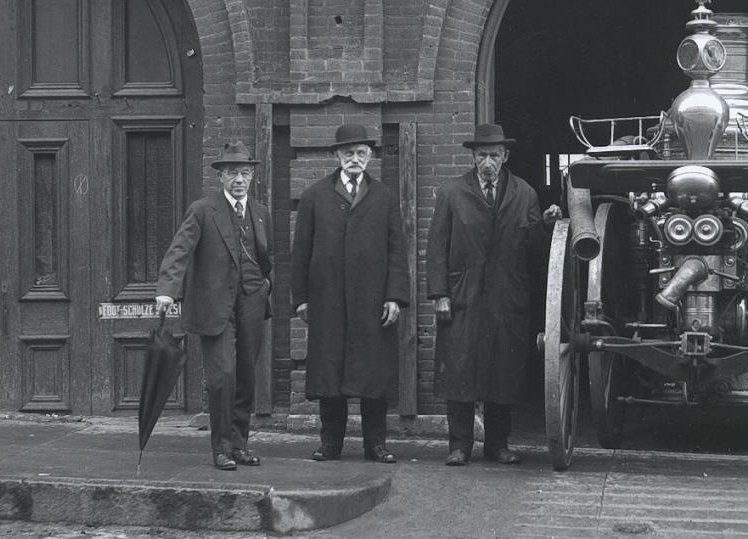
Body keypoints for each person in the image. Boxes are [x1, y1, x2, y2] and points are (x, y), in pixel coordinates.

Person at [426, 122, 546, 466]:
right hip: (463, 295)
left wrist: (548, 225)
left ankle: (497, 444)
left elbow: (535, 252)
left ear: (505, 156)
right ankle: (459, 445)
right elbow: (436, 248)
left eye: (494, 155)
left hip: (507, 297)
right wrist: (440, 294)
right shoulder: (451, 193)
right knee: (459, 369)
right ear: (473, 157)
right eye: (481, 155)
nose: (488, 162)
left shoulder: (525, 194)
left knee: (502, 370)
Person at [292, 122, 409, 463]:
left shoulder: (384, 196)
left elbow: (396, 251)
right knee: (331, 377)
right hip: (327, 301)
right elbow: (300, 252)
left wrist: (394, 296)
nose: (354, 159)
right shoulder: (315, 195)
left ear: (369, 156)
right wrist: (301, 298)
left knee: (373, 377)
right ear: (337, 156)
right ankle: (331, 444)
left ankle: (376, 444)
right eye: (348, 153)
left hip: (371, 302)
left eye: (360, 153)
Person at [155, 141, 272, 470]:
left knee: (246, 378)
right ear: (221, 176)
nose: (239, 179)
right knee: (223, 377)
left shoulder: (260, 213)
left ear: (252, 177)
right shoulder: (203, 210)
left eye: (245, 173)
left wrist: (266, 287)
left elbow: (268, 257)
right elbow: (180, 249)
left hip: (251, 302)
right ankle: (220, 448)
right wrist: (167, 289)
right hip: (214, 305)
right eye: (232, 173)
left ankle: (239, 445)